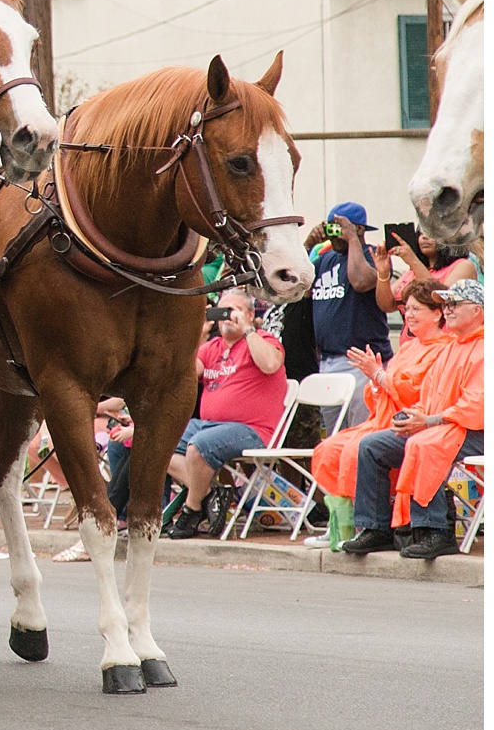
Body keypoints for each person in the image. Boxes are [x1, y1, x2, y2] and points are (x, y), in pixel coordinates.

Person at [340, 279, 483, 560]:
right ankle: (375, 528)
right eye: (447, 304)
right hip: (441, 426)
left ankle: (435, 531)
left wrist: (428, 421)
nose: (448, 310)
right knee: (371, 446)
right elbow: (429, 395)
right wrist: (409, 417)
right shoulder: (453, 347)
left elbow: (477, 408)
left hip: (473, 431)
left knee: (424, 444)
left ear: (478, 310)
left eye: (455, 304)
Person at [309, 277, 448, 548]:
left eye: (416, 309)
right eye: (407, 309)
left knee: (354, 449)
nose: (409, 315)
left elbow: (419, 393)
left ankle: (362, 525)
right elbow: (382, 393)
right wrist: (375, 383)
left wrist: (379, 377)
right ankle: (341, 522)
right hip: (381, 419)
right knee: (328, 449)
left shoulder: (443, 349)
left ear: (437, 313)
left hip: (411, 424)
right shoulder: (408, 347)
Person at [166, 287, 286, 539]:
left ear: (251, 314)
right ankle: (211, 493)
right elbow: (180, 376)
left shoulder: (264, 339)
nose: (229, 317)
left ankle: (192, 508)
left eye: (237, 311)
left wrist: (249, 330)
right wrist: (198, 337)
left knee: (199, 446)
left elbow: (270, 364)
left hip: (252, 429)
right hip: (210, 425)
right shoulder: (212, 347)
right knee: (159, 441)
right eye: (225, 310)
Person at [309, 202, 389, 429]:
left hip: (362, 361)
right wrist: (309, 243)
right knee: (336, 434)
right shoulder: (325, 259)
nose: (333, 235)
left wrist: (353, 239)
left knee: (361, 431)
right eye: (330, 228)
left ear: (360, 229)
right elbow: (299, 284)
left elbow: (361, 281)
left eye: (339, 228)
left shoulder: (373, 255)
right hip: (327, 360)